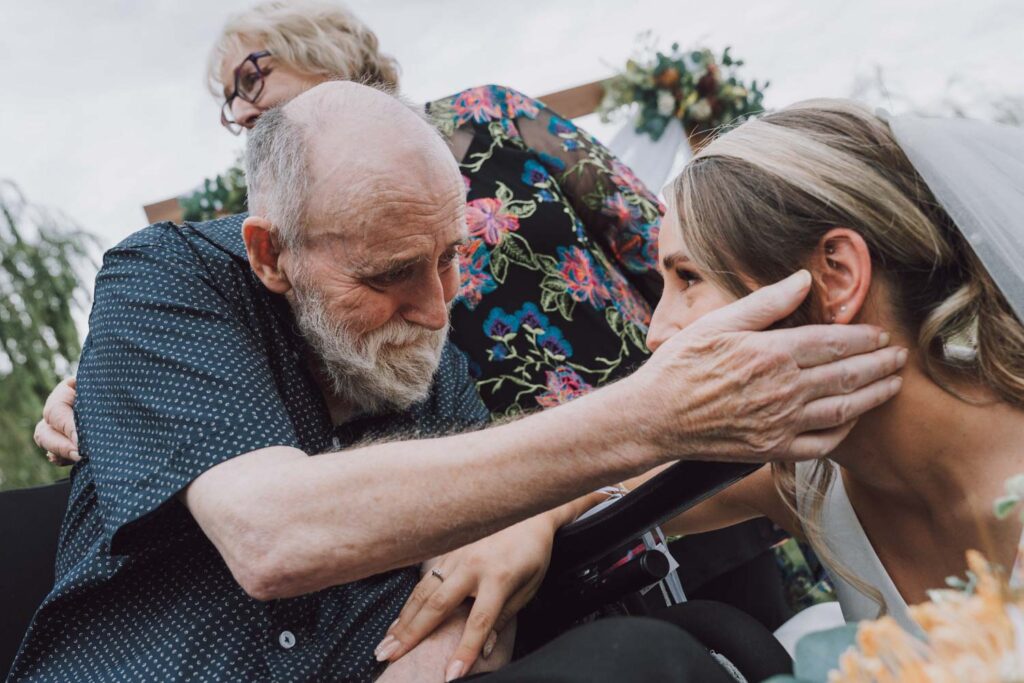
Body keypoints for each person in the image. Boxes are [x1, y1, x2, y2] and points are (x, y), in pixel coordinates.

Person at [10, 82, 904, 682]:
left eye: (450, 258)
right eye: (392, 273)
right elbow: (272, 535)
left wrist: (519, 529)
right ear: (270, 253)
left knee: (692, 647)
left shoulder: (440, 368)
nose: (437, 307)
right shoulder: (170, 283)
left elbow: (463, 587)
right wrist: (651, 414)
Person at [639, 98, 1024, 633]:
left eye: (688, 277)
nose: (656, 332)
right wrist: (538, 515)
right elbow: (616, 475)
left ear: (836, 276)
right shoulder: (814, 483)